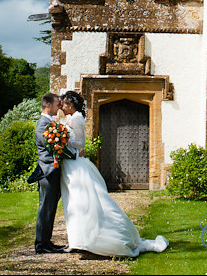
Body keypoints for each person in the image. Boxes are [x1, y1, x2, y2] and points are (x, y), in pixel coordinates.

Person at [58, 90, 169, 257]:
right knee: (74, 203)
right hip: (70, 165)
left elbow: (81, 143)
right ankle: (78, 239)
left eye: (64, 104)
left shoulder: (77, 118)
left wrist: (63, 139)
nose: (62, 106)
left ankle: (99, 237)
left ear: (71, 105)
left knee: (86, 201)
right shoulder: (70, 118)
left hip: (76, 166)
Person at [31, 92, 77, 254]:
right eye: (57, 103)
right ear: (48, 105)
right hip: (47, 172)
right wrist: (73, 155)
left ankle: (47, 242)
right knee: (45, 208)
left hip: (54, 171)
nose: (59, 106)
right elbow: (53, 147)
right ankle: (41, 245)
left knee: (50, 208)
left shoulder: (50, 122)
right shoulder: (42, 124)